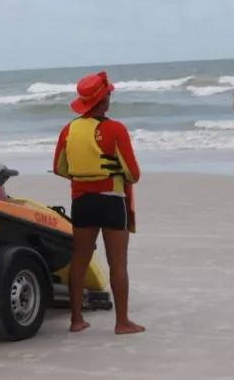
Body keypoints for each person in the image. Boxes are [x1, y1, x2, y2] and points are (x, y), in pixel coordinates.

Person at [52, 71, 145, 335]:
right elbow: (134, 174)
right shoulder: (115, 129)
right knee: (118, 264)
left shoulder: (69, 129)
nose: (110, 98)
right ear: (103, 101)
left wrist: (83, 175)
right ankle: (122, 322)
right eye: (109, 95)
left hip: (82, 202)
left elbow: (59, 167)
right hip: (113, 202)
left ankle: (76, 320)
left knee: (79, 260)